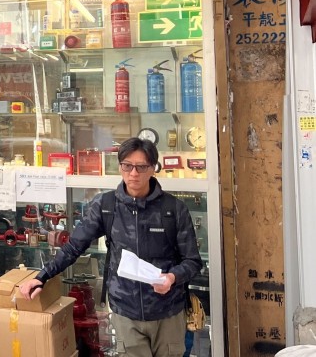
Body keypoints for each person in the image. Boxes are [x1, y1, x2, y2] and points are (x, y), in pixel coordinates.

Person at [18, 138, 203, 357]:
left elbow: (193, 261)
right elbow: (73, 247)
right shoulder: (106, 206)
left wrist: (172, 277)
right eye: (127, 166)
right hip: (125, 312)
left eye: (141, 167)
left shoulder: (173, 209)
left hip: (168, 312)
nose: (133, 173)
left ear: (153, 168)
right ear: (120, 166)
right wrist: (41, 277)